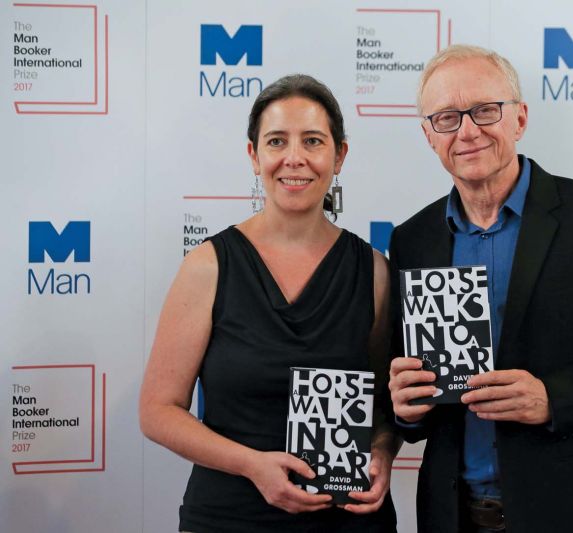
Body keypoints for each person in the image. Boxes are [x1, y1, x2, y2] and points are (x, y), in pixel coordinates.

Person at [388, 45, 573, 533]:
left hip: (568, 510)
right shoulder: (412, 239)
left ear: (520, 118)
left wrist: (554, 398)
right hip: (452, 515)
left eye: (485, 110)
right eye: (447, 118)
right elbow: (419, 396)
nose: (467, 131)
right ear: (429, 135)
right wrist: (405, 410)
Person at [140, 74, 399, 532]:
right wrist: (251, 464)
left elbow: (385, 404)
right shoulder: (208, 266)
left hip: (348, 521)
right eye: (277, 141)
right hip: (230, 517)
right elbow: (158, 411)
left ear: (339, 156)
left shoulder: (375, 271)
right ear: (253, 154)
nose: (294, 159)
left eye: (313, 141)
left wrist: (382, 451)